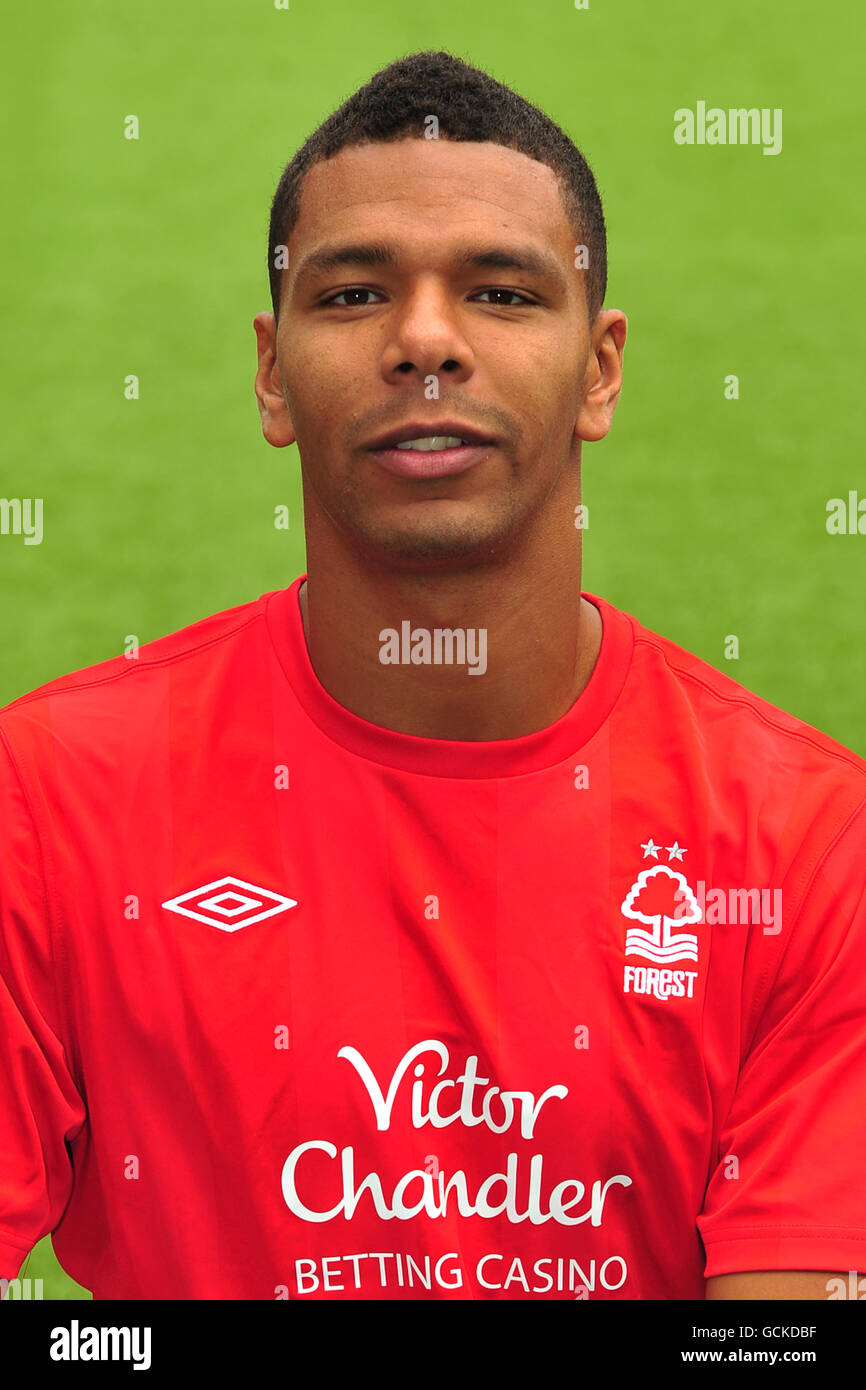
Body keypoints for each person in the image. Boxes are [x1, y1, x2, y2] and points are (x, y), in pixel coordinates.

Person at [1, 49, 863, 1302]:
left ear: (601, 369)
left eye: (502, 294)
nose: (422, 342)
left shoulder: (804, 839)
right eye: (351, 296)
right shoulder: (49, 797)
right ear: (268, 372)